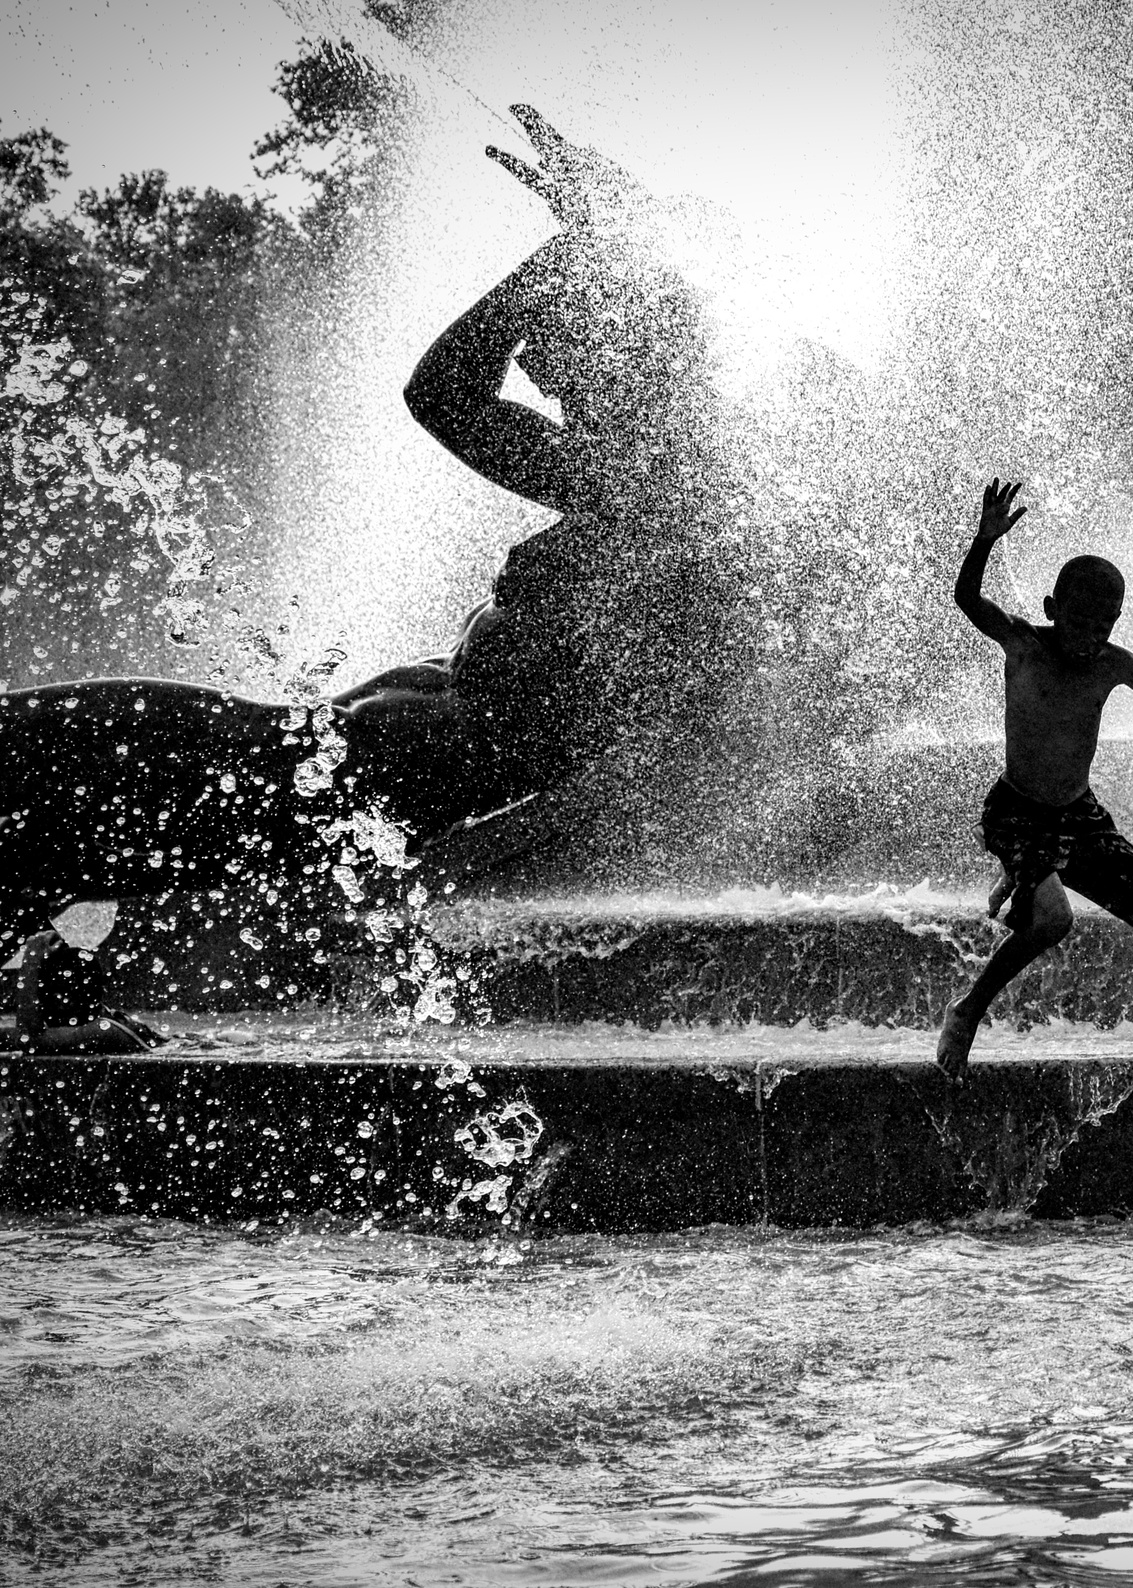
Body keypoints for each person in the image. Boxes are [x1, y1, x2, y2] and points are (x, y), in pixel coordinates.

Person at [1, 107, 743, 1022]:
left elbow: (448, 394)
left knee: (61, 766)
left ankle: (55, 986)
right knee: (63, 775)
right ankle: (55, 990)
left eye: (564, 368)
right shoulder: (619, 485)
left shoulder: (673, 494)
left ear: (641, 370)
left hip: (347, 787)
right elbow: (443, 394)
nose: (545, 386)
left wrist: (582, 253)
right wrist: (574, 255)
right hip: (331, 762)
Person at [937, 478, 1133, 1079]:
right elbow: (966, 598)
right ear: (1052, 609)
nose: (1089, 639)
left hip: (1078, 814)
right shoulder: (1023, 644)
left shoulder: (1113, 664)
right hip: (1017, 812)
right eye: (1079, 623)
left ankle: (1035, 879)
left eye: (1103, 626)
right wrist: (984, 541)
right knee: (1054, 921)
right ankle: (970, 1007)